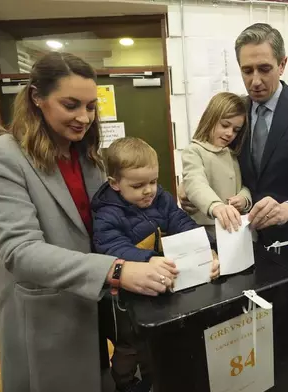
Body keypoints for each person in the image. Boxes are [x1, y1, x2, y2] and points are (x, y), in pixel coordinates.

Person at [0, 52, 178, 392]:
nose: (84, 117)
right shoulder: (1, 157)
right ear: (36, 97)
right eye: (71, 105)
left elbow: (122, 220)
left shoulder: (89, 158)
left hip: (93, 305)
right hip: (47, 312)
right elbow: (19, 251)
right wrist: (116, 270)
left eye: (90, 106)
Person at [179, 23, 288, 357]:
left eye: (264, 69)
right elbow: (209, 159)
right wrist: (191, 192)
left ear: (282, 64)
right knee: (245, 329)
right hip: (239, 244)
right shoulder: (235, 112)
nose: (255, 80)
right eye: (246, 70)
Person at [91, 136, 220, 392]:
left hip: (156, 287)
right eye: (138, 185)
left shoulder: (159, 197)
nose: (148, 190)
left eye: (153, 181)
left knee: (156, 341)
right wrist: (149, 260)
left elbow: (180, 222)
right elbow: (112, 247)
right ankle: (125, 384)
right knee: (129, 347)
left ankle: (153, 378)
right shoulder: (106, 213)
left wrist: (209, 248)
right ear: (115, 183)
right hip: (122, 301)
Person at [181, 92, 252, 240]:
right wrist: (215, 206)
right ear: (210, 119)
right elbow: (195, 182)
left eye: (236, 130)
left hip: (233, 229)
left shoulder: (232, 154)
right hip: (206, 231)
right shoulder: (194, 151)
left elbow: (243, 185)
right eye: (225, 125)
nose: (229, 133)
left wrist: (244, 199)